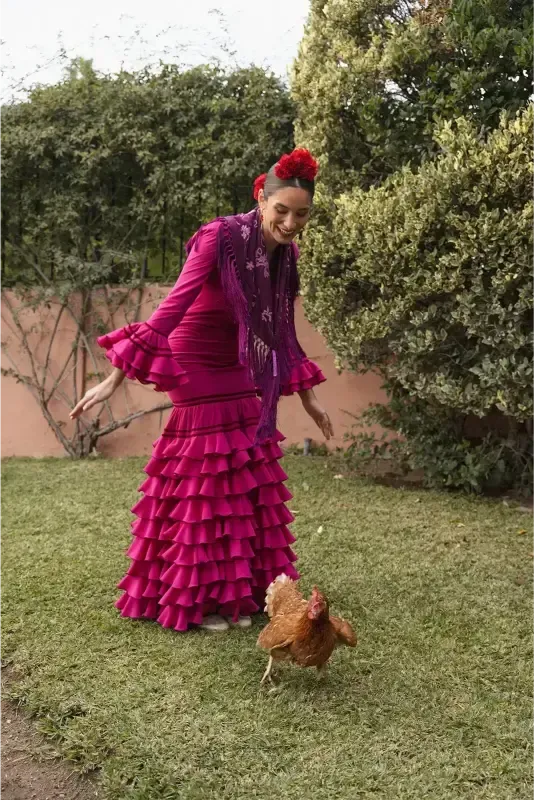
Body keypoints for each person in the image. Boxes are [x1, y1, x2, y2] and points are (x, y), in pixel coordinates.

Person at [70, 147, 333, 633]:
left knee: (244, 470)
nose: (292, 222)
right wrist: (113, 379)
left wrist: (309, 398)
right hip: (194, 354)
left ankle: (244, 591)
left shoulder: (286, 255)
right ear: (261, 197)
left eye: (302, 214)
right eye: (282, 211)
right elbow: (172, 307)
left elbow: (281, 330)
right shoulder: (220, 236)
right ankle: (199, 598)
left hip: (235, 358)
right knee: (206, 474)